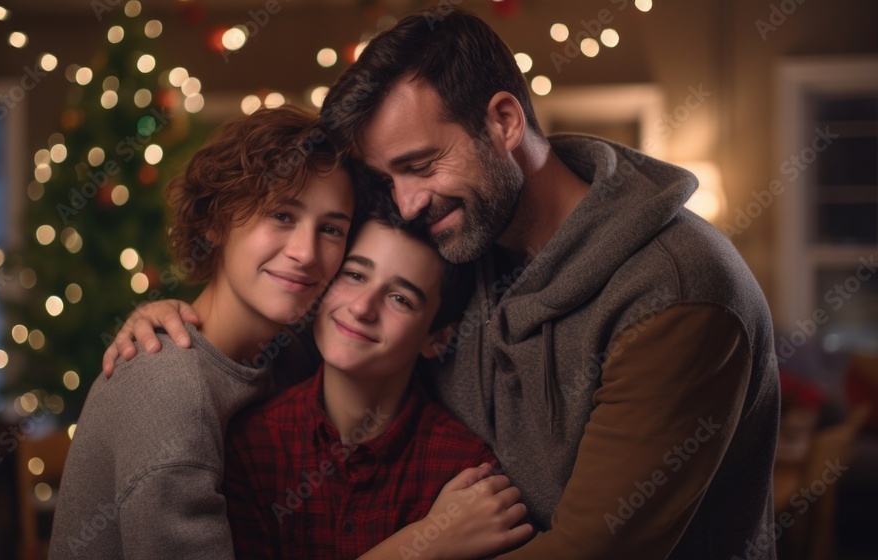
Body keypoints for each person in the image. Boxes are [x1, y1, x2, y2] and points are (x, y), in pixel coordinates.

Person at [105, 8, 780, 559]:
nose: (404, 203)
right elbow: (326, 334)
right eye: (388, 178)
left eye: (421, 164)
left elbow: (587, 552)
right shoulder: (459, 243)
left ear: (505, 121)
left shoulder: (679, 291)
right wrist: (178, 322)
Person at [49, 106, 358, 559]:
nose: (306, 253)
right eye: (282, 215)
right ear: (215, 222)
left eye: (331, 229)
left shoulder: (293, 357)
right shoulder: (170, 387)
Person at [223, 191, 533, 559]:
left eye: (400, 298)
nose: (361, 308)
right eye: (354, 275)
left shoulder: (465, 472)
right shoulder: (251, 446)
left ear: (437, 338)